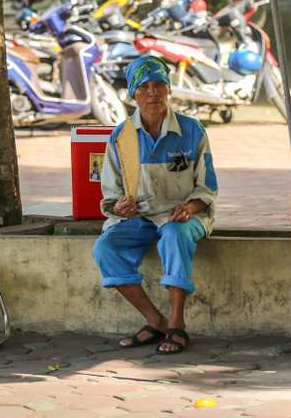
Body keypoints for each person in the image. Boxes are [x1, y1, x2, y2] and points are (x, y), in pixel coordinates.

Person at [92, 55, 218, 355]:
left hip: (184, 216)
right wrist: (120, 207)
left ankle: (177, 323)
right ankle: (155, 320)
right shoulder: (121, 137)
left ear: (169, 89)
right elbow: (111, 194)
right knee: (105, 249)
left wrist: (191, 207)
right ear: (133, 94)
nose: (153, 93)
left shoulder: (193, 131)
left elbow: (208, 188)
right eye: (144, 87)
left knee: (174, 234)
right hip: (142, 219)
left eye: (160, 84)